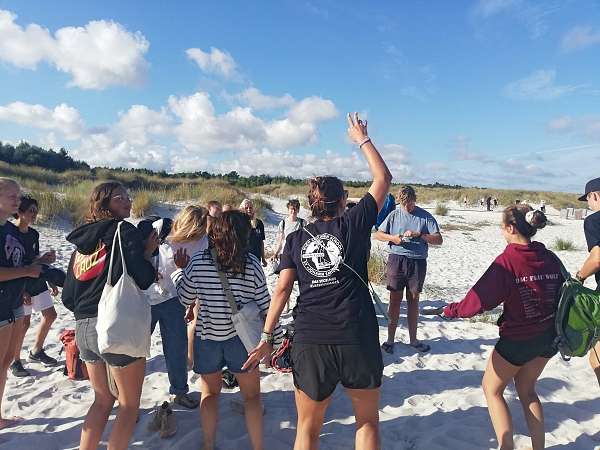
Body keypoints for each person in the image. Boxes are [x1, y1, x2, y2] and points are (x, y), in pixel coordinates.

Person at [245, 112, 392, 449]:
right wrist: (362, 140)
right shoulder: (353, 224)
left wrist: (267, 336)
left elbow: (281, 289)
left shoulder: (297, 239)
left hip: (311, 338)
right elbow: (382, 178)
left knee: (308, 429)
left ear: (310, 204)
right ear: (343, 201)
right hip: (356, 333)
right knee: (367, 422)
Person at [430, 205, 561, 450]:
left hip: (519, 339)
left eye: (502, 226)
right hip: (548, 336)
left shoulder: (508, 261)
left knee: (491, 389)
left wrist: (451, 310)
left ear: (510, 229)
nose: (501, 230)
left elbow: (478, 301)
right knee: (528, 390)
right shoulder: (550, 257)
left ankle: (506, 446)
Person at [172, 210, 280, 450]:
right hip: (241, 341)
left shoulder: (199, 261)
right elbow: (265, 305)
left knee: (210, 394)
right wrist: (271, 338)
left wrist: (180, 270)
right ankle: (257, 446)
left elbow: (184, 297)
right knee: (251, 397)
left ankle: (209, 444)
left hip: (208, 337)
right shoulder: (251, 263)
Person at [62, 181, 158, 450]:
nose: (127, 202)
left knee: (102, 400)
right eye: (119, 198)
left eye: (128, 197)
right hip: (115, 325)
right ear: (103, 204)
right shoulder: (122, 230)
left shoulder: (80, 242)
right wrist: (148, 253)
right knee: (128, 405)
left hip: (83, 328)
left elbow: (68, 296)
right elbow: (143, 277)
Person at [145, 206, 209, 409]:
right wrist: (149, 271)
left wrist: (191, 303)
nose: (199, 231)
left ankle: (180, 391)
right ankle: (126, 398)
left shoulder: (203, 240)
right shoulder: (161, 228)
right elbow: (141, 254)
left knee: (177, 349)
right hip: (146, 297)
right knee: (136, 350)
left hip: (175, 298)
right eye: (197, 226)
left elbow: (198, 272)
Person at [374, 185, 443, 354]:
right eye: (404, 205)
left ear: (415, 200)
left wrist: (420, 235)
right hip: (396, 260)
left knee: (413, 300)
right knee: (394, 300)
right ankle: (390, 340)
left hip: (418, 262)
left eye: (410, 204)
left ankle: (413, 340)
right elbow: (378, 234)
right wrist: (393, 238)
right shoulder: (394, 214)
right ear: (400, 202)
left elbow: (439, 239)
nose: (407, 208)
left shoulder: (425, 217)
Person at [0, 178, 42, 429]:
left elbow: (16, 262)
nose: (18, 200)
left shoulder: (10, 229)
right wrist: (27, 270)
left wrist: (34, 263)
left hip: (14, 301)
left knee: (6, 363)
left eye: (19, 196)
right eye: (12, 196)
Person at [10, 195, 60, 378]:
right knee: (23, 323)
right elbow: (13, 265)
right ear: (19, 211)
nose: (34, 214)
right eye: (31, 210)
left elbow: (33, 260)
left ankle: (36, 351)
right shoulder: (9, 233)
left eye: (36, 211)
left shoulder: (33, 234)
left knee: (51, 315)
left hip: (36, 279)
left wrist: (48, 273)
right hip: (20, 283)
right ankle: (15, 361)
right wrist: (22, 291)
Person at [575, 177, 600, 387]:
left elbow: (597, 258)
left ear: (595, 195)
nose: (589, 205)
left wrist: (579, 277)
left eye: (588, 200)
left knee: (597, 358)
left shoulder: (594, 221)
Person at [239, 199, 267, 267]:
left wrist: (263, 258)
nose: (249, 209)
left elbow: (261, 242)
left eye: (250, 207)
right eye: (246, 208)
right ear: (242, 209)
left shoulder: (259, 223)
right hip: (243, 259)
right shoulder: (239, 222)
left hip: (256, 258)